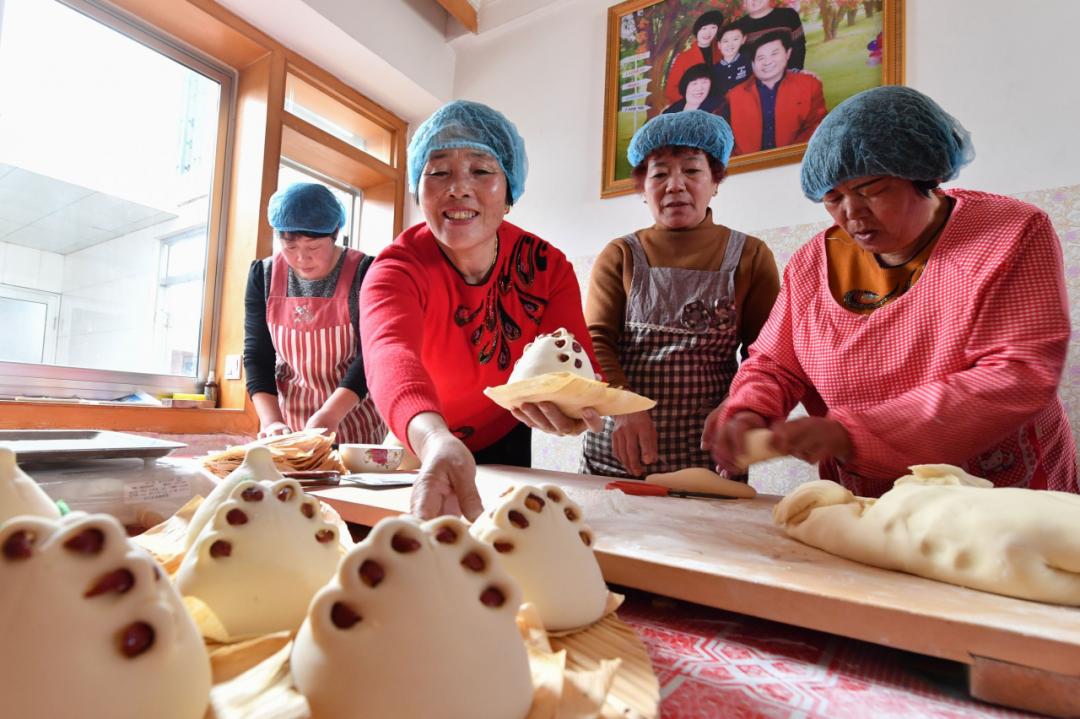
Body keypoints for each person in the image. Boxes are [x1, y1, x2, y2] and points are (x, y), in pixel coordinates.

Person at [703, 86, 1079, 496]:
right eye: (833, 199)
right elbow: (775, 364)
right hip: (871, 497)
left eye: (872, 190)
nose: (852, 214)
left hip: (999, 492)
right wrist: (749, 409)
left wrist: (853, 434)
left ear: (925, 175)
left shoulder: (1009, 234)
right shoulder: (813, 263)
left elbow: (1016, 374)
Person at [360, 100, 603, 520]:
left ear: (509, 191)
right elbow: (390, 356)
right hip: (422, 436)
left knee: (506, 549)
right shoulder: (396, 269)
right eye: (438, 172)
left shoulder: (546, 267)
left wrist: (574, 406)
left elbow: (574, 361)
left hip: (506, 433)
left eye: (481, 170)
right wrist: (434, 438)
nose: (458, 187)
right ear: (420, 191)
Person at [582, 111, 779, 478]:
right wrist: (624, 408)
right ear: (643, 190)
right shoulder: (620, 254)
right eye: (659, 174)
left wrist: (739, 407)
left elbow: (765, 354)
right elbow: (595, 341)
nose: (675, 185)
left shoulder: (750, 255)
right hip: (622, 441)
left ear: (715, 181)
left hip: (710, 446)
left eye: (691, 171)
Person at [243, 182, 386, 443]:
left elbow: (373, 354)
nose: (301, 258)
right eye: (290, 246)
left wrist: (330, 415)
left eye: (313, 247)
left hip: (355, 425)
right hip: (289, 429)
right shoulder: (262, 276)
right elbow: (257, 355)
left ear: (335, 233)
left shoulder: (365, 272)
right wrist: (272, 421)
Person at [726, 31, 826, 156]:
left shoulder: (809, 85)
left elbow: (816, 125)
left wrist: (789, 158)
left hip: (797, 160)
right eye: (761, 58)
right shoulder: (735, 95)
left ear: (787, 53)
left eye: (774, 54)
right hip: (749, 167)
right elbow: (724, 136)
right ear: (753, 63)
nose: (768, 62)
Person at [664, 10, 726, 105]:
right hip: (694, 107)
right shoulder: (684, 57)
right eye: (704, 29)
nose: (708, 33)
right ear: (697, 31)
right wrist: (692, 103)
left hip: (719, 104)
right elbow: (670, 90)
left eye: (713, 28)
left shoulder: (722, 51)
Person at [735, 0, 806, 71]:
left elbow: (799, 47)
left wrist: (794, 71)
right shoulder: (738, 27)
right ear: (744, 2)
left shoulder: (788, 15)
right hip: (755, 78)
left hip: (790, 74)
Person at [714, 24, 751, 98]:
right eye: (725, 41)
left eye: (735, 39)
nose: (730, 44)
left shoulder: (749, 61)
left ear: (743, 40)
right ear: (719, 45)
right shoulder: (714, 70)